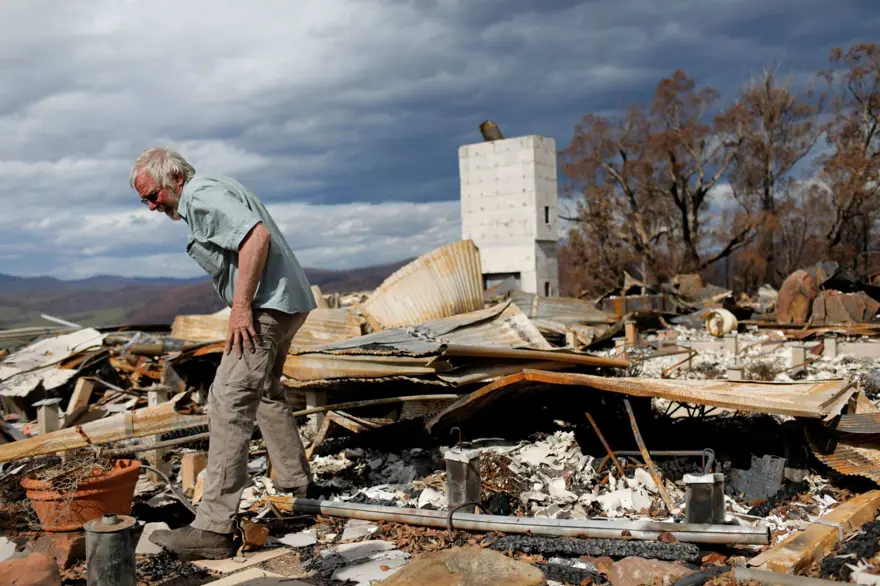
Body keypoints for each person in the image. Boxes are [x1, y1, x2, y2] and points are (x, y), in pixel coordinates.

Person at [129, 146, 318, 560]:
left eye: (152, 195)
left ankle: (213, 528)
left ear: (174, 179)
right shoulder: (211, 190)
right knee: (265, 393)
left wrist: (240, 307)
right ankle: (297, 490)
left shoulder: (199, 194)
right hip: (287, 303)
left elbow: (256, 236)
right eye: (143, 200)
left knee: (228, 402)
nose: (150, 206)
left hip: (268, 307)